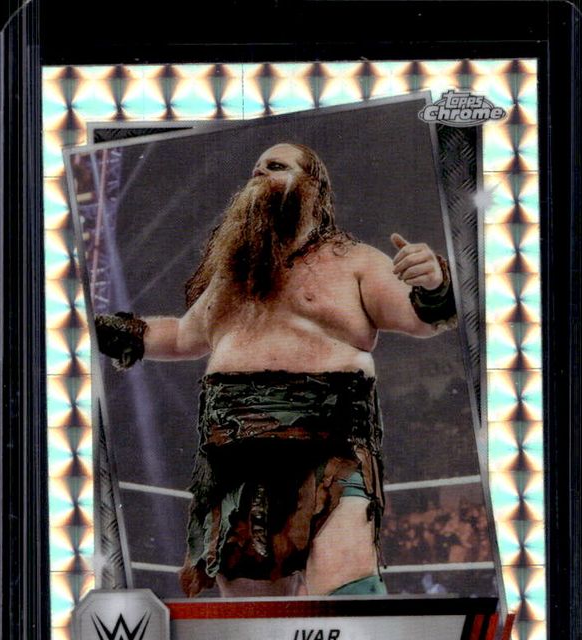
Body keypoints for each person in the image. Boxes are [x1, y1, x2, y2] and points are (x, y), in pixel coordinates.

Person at [95, 142, 456, 603]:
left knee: (348, 589)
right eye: (256, 168)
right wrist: (108, 329)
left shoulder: (355, 261)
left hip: (328, 446)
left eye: (276, 166)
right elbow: (183, 336)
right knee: (256, 619)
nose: (259, 172)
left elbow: (420, 317)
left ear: (314, 188)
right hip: (233, 456)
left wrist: (433, 282)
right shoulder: (232, 276)